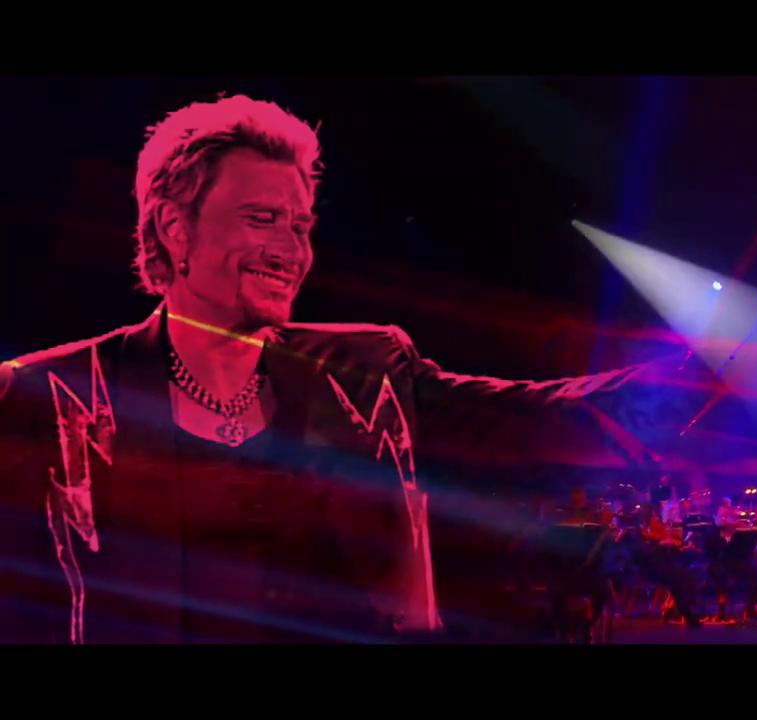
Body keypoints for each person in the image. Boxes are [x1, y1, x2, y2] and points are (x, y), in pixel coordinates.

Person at [0, 95, 682, 644]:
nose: (290, 249)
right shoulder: (46, 396)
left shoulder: (366, 375)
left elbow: (538, 419)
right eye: (262, 218)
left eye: (300, 226)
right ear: (175, 228)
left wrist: (698, 382)